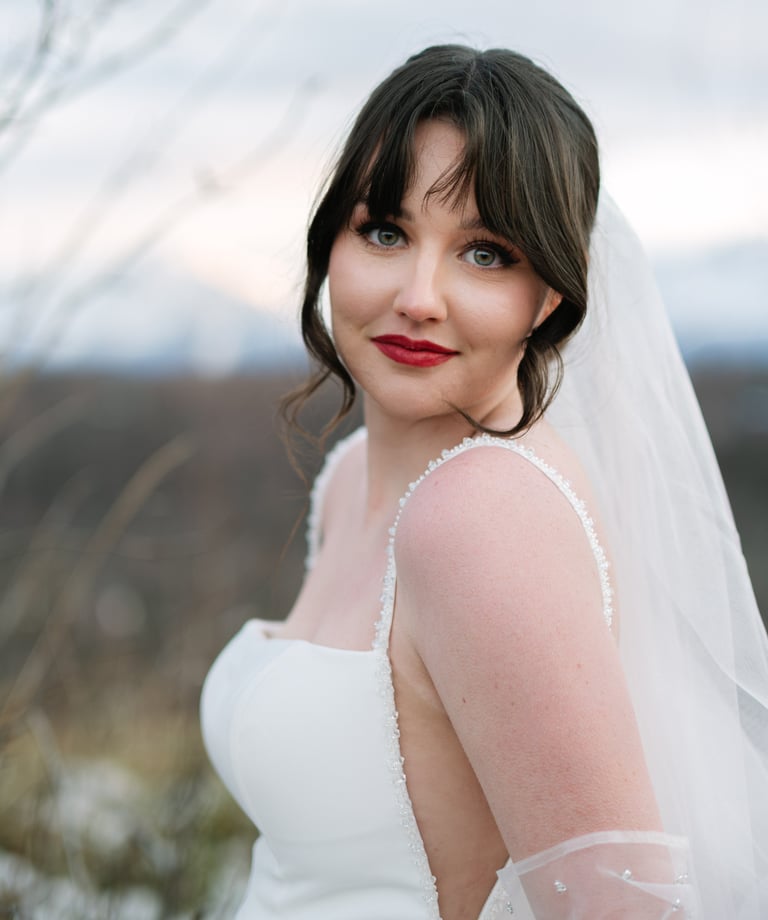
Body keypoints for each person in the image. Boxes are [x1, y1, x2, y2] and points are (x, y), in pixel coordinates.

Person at [201, 45, 768, 919]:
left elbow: (622, 908)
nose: (419, 296)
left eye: (487, 253)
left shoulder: (481, 517)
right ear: (333, 242)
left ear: (549, 297)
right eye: (385, 232)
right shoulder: (352, 481)